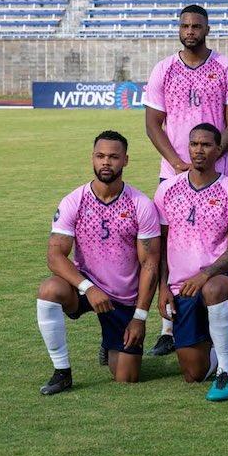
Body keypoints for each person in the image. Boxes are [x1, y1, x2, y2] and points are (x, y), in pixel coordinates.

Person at [143, 4, 228, 358]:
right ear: (179, 29)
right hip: (173, 174)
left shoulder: (226, 68)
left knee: (217, 247)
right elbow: (152, 124)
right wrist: (177, 163)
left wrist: (211, 160)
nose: (190, 31)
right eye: (185, 26)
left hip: (216, 173)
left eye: (196, 26)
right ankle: (168, 328)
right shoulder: (164, 69)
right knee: (170, 245)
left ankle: (219, 332)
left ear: (207, 29)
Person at [36, 131, 161, 395]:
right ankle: (62, 372)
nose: (106, 162)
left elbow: (150, 264)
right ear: (92, 158)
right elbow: (54, 256)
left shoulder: (140, 205)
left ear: (125, 160)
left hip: (123, 298)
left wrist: (140, 317)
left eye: (113, 157)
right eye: (100, 156)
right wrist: (88, 288)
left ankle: (109, 342)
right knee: (49, 289)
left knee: (126, 377)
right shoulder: (75, 201)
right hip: (85, 287)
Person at [154, 124, 228, 401]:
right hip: (180, 288)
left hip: (219, 279)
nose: (199, 150)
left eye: (206, 145)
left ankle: (225, 373)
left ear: (218, 150)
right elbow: (160, 245)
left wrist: (205, 274)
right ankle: (224, 346)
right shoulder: (167, 190)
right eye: (194, 144)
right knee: (193, 374)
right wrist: (163, 287)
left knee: (212, 289)